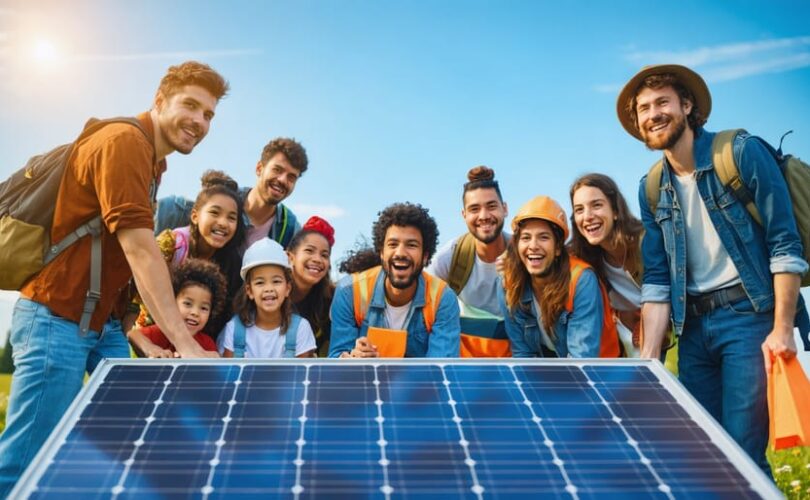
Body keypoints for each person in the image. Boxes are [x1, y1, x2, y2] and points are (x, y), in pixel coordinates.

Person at [0, 60, 227, 496]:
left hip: (101, 327)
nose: (199, 122)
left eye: (209, 115)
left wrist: (135, 334)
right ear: (160, 101)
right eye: (191, 106)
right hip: (56, 320)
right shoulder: (125, 143)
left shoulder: (153, 163)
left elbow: (115, 265)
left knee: (114, 450)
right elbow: (140, 251)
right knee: (27, 463)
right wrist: (185, 344)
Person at [617, 63, 809, 472]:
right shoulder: (650, 188)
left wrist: (781, 328)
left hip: (749, 319)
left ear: (686, 105)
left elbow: (784, 244)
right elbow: (656, 279)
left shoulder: (740, 152)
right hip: (693, 330)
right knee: (701, 454)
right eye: (644, 109)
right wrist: (649, 357)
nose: (653, 114)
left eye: (662, 102)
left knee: (742, 454)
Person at [329, 203, 460, 358]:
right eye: (393, 244)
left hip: (418, 382)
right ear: (382, 253)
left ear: (425, 256)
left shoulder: (442, 298)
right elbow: (336, 358)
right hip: (365, 380)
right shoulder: (349, 292)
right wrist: (352, 359)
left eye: (411, 245)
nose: (400, 253)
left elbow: (439, 370)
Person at [127, 170, 245, 338]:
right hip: (150, 332)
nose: (223, 223)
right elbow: (139, 302)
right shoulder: (171, 244)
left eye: (231, 218)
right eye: (214, 213)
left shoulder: (231, 264)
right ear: (195, 216)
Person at [500, 196, 621, 358]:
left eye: (544, 237)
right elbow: (522, 354)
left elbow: (581, 359)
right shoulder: (508, 284)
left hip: (601, 373)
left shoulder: (580, 280)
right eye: (526, 237)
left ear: (558, 248)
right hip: (554, 370)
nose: (533, 246)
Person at [155, 137, 308, 250]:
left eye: (291, 177)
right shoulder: (225, 196)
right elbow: (175, 208)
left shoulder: (289, 229)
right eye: (277, 170)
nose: (282, 180)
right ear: (259, 169)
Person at [428, 166, 511, 357]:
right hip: (468, 352)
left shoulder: (524, 253)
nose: (484, 216)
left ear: (504, 209)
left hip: (517, 348)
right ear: (464, 215)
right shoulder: (448, 259)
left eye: (491, 206)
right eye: (474, 209)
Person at [569, 173, 644, 357]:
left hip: (676, 336)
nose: (587, 216)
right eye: (579, 209)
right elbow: (545, 253)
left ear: (616, 210)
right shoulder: (584, 258)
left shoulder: (646, 241)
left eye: (596, 205)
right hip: (627, 345)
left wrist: (647, 317)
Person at [218, 238, 316, 358]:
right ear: (249, 291)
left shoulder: (300, 328)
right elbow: (229, 373)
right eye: (260, 283)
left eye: (276, 281)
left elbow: (299, 373)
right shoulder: (234, 329)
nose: (268, 289)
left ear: (287, 289)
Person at [127, 258, 226, 356]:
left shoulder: (207, 343)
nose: (195, 312)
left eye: (203, 308)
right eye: (188, 304)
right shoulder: (162, 332)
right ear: (172, 303)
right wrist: (151, 349)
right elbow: (133, 335)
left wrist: (214, 358)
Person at [287, 216, 336, 357]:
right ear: (291, 257)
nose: (317, 259)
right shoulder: (271, 294)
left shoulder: (332, 301)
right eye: (309, 251)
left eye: (324, 255)